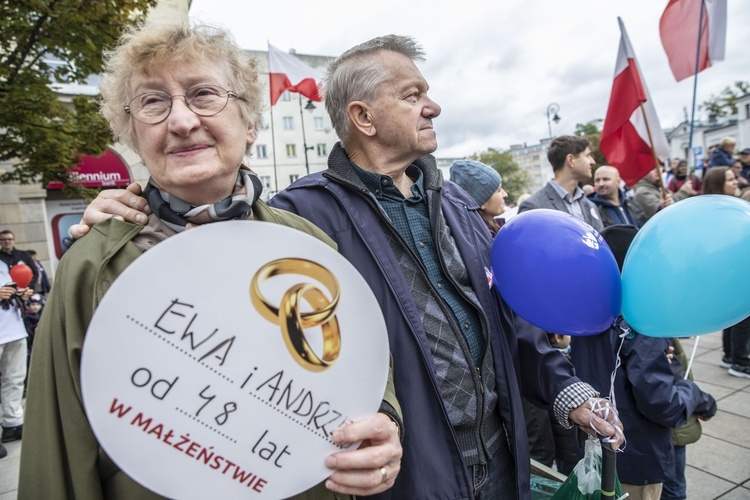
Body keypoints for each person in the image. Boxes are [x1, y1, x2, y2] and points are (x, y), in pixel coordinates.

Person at [71, 34, 623, 499]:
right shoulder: (298, 219)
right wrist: (131, 211)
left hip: (503, 465)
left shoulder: (457, 205)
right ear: (362, 117)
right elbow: (217, 300)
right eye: (413, 95)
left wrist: (567, 393)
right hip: (405, 478)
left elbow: (510, 325)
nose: (433, 107)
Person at [19, 22, 403, 500]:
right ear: (134, 136)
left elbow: (361, 369)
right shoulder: (95, 264)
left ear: (249, 125)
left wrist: (382, 425)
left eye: (203, 94)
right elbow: (57, 446)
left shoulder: (309, 247)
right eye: (153, 102)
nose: (180, 121)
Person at [570, 224, 717, 500]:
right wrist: (696, 395)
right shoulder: (641, 320)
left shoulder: (589, 313)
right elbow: (662, 403)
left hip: (599, 451)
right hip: (634, 459)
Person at [702, 167, 749, 379]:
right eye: (730, 180)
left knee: (736, 315)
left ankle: (730, 356)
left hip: (733, 267)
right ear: (718, 183)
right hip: (730, 269)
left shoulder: (730, 207)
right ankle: (739, 360)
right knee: (742, 316)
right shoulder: (717, 210)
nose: (736, 182)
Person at [662, 337, 715, 500]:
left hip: (666, 429)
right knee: (673, 488)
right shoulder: (655, 335)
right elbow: (673, 389)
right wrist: (707, 405)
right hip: (670, 431)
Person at [517, 135, 604, 232]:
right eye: (587, 155)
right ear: (571, 160)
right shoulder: (533, 207)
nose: (593, 162)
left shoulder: (590, 205)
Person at [1, 257, 33, 449]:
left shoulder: (3, 265)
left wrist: (19, 294)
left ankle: (12, 423)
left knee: (14, 379)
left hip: (13, 329)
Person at [449, 159, 507, 236]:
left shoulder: (494, 230)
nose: (505, 194)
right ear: (482, 202)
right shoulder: (483, 238)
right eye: (499, 190)